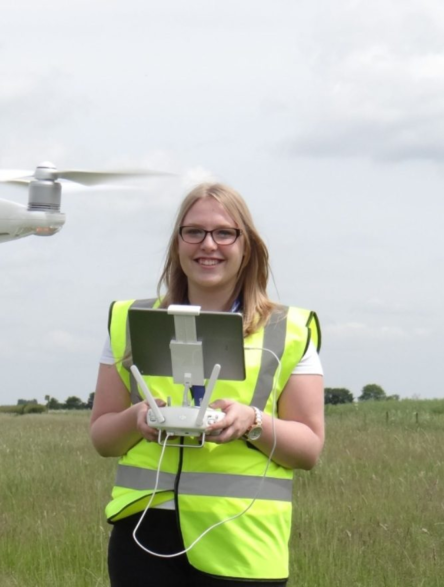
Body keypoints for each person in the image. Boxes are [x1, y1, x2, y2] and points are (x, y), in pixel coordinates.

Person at [90, 182, 324, 586]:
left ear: (246, 245)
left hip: (243, 540)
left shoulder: (289, 330)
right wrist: (138, 418)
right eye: (194, 231)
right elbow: (102, 439)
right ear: (177, 244)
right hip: (145, 535)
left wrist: (252, 422)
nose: (208, 244)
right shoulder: (129, 320)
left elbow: (308, 449)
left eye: (224, 233)